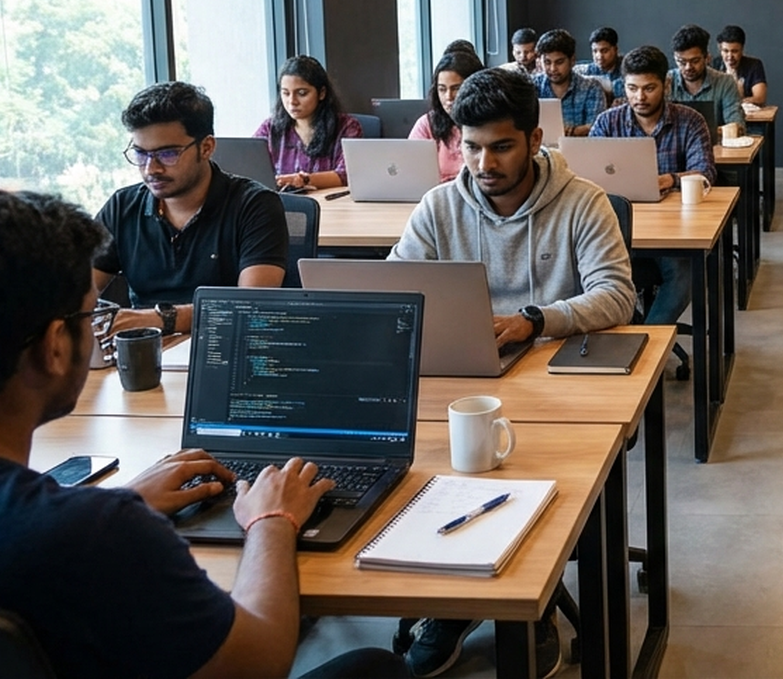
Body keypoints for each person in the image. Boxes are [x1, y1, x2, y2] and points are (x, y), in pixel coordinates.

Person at [0, 189, 405, 679]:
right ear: (55, 345)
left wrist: (121, 500)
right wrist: (272, 520)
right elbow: (258, 661)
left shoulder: (88, 525)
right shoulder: (96, 535)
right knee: (375, 669)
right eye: (89, 315)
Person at [389, 67, 635, 677]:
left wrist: (534, 318)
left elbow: (617, 296)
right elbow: (394, 288)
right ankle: (451, 603)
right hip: (461, 382)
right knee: (420, 471)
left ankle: (535, 602)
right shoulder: (439, 206)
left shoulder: (582, 201)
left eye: (501, 146)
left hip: (557, 386)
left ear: (533, 138)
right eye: (471, 146)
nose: (483, 162)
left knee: (534, 477)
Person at [92, 82, 288, 335]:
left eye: (168, 154)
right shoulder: (122, 206)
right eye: (140, 154)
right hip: (144, 356)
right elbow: (74, 292)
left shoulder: (255, 205)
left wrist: (155, 319)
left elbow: (249, 308)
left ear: (206, 147)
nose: (151, 169)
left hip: (225, 351)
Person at [591, 45, 715, 330]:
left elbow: (706, 171)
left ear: (666, 84)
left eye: (649, 88)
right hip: (614, 225)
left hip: (670, 228)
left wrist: (670, 179)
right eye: (632, 88)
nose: (640, 97)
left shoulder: (690, 121)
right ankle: (620, 330)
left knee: (684, 274)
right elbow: (585, 176)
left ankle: (645, 340)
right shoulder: (608, 122)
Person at [253, 55, 363, 190]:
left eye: (302, 93)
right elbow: (251, 168)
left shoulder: (346, 127)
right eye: (286, 93)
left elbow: (347, 175)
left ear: (321, 93)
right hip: (280, 205)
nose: (292, 101)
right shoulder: (270, 129)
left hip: (330, 205)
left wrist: (303, 180)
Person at [409, 45, 485, 183]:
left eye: (456, 88)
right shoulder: (427, 124)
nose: (448, 96)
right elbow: (409, 170)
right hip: (437, 197)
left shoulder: (489, 123)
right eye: (442, 89)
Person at [531, 29, 610, 137]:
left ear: (572, 60)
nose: (553, 69)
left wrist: (569, 131)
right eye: (547, 62)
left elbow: (597, 128)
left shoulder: (591, 87)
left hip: (580, 149)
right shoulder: (532, 86)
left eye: (559, 62)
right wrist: (578, 130)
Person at [668, 24, 745, 127]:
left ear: (707, 58)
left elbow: (736, 126)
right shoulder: (667, 81)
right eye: (681, 62)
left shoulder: (725, 82)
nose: (688, 67)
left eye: (695, 61)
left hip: (715, 143)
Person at [715, 24, 769, 106]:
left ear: (742, 49)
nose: (730, 56)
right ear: (720, 49)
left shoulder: (754, 65)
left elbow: (760, 98)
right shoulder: (714, 64)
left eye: (734, 51)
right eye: (725, 51)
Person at [576, 25, 624, 100]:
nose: (599, 56)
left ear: (615, 49)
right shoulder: (589, 69)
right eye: (595, 51)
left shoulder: (627, 67)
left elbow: (625, 88)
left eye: (604, 51)